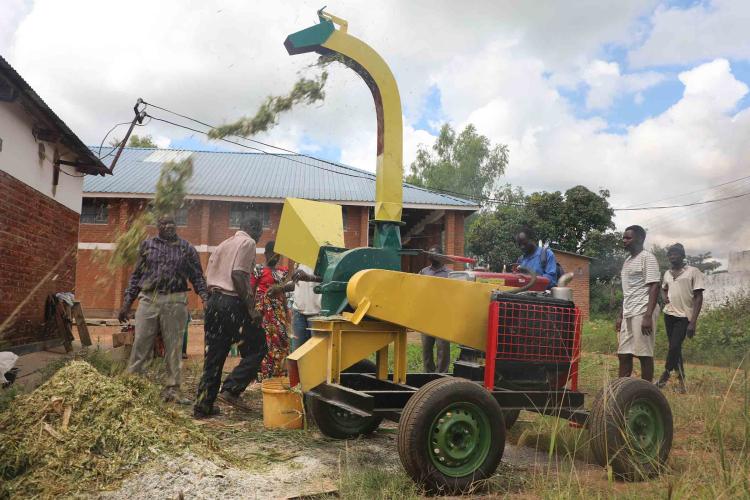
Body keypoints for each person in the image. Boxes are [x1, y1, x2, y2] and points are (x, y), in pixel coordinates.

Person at [118, 214, 208, 403]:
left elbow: (197, 276)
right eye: (164, 223)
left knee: (174, 347)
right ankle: (133, 386)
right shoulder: (147, 246)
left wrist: (205, 298)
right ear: (158, 226)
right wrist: (127, 302)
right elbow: (136, 276)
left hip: (175, 301)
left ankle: (173, 390)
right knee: (141, 342)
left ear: (177, 225)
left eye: (172, 223)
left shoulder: (186, 248)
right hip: (149, 299)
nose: (168, 226)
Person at [194, 217, 265, 418]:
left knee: (214, 356)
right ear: (252, 228)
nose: (259, 236)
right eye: (259, 231)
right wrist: (251, 309)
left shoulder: (223, 244)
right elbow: (239, 275)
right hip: (232, 302)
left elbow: (209, 276)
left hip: (214, 302)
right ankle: (232, 389)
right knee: (259, 347)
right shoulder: (248, 242)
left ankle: (203, 405)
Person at [656, 243, 705, 393]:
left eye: (675, 253)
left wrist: (693, 322)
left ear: (683, 256)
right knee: (675, 348)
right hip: (669, 314)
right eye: (670, 254)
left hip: (684, 316)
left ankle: (665, 375)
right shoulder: (667, 273)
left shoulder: (693, 271)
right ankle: (682, 381)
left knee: (674, 346)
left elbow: (698, 297)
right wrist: (665, 297)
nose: (672, 256)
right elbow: (663, 288)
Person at [616, 225, 661, 382]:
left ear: (640, 239)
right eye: (624, 237)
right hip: (629, 311)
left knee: (643, 353)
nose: (624, 241)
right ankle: (621, 389)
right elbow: (627, 291)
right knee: (623, 353)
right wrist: (621, 315)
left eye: (628, 238)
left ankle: (647, 392)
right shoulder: (627, 262)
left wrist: (648, 315)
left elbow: (655, 285)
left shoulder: (647, 258)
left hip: (643, 310)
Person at [252, 241, 290, 378]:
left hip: (278, 312)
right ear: (266, 254)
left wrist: (287, 310)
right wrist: (252, 311)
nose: (275, 257)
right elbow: (251, 291)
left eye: (278, 255)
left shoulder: (282, 272)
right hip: (263, 312)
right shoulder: (259, 270)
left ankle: (277, 373)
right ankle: (264, 375)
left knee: (281, 341)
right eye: (272, 254)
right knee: (265, 342)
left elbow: (283, 293)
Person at [420, 246, 452, 373]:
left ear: (441, 257)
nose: (431, 256)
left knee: (442, 347)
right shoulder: (423, 272)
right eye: (430, 254)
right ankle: (428, 373)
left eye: (434, 254)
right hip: (427, 314)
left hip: (443, 315)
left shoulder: (449, 274)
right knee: (426, 347)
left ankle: (441, 374)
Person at [290, 264, 322, 352]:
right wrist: (282, 288)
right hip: (298, 312)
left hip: (318, 313)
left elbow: (330, 278)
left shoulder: (325, 257)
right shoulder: (299, 260)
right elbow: (297, 285)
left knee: (316, 353)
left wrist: (311, 278)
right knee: (297, 354)